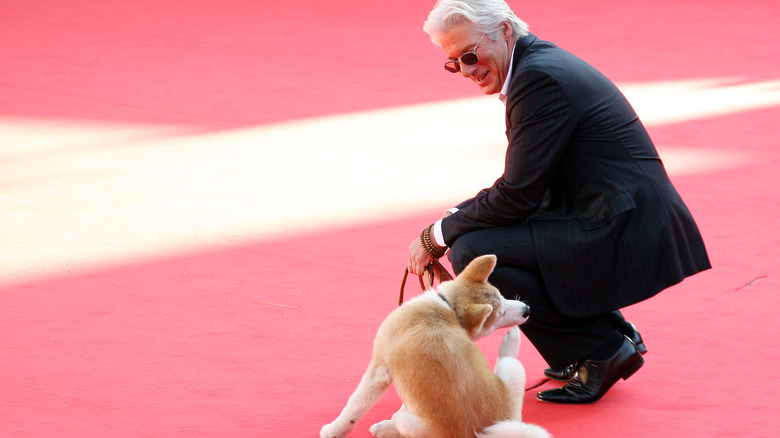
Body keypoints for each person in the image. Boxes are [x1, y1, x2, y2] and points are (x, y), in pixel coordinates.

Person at [408, 0, 711, 404]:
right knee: (479, 240)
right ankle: (611, 332)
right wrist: (451, 220)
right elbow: (524, 186)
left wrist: (437, 235)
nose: (465, 69)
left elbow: (518, 195)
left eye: (469, 54)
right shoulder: (537, 64)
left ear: (503, 31)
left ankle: (601, 349)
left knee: (476, 253)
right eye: (453, 62)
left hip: (620, 222)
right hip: (604, 209)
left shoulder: (539, 79)